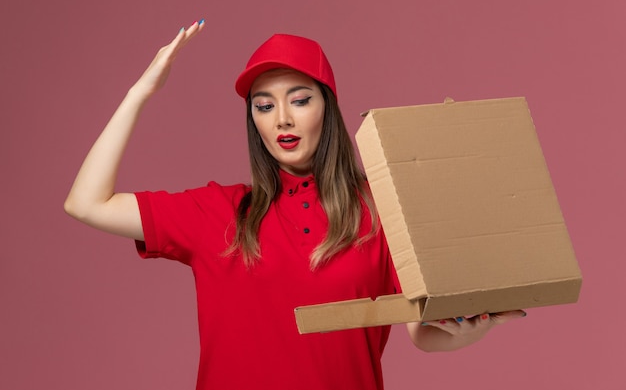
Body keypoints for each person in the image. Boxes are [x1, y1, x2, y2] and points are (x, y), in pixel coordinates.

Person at [64, 20, 526, 390]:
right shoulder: (220, 213)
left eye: (299, 100)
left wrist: (472, 328)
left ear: (327, 105)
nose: (282, 118)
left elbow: (421, 331)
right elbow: (86, 203)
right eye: (263, 106)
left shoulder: (381, 209)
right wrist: (139, 94)